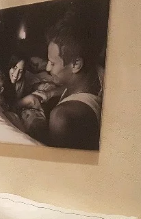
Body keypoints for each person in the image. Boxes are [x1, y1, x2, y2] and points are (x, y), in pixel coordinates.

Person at [42, 10, 105, 150]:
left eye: (52, 63)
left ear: (76, 64)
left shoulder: (61, 117)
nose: (47, 68)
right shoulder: (98, 71)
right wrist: (52, 93)